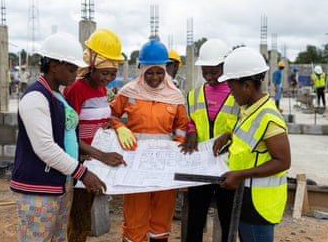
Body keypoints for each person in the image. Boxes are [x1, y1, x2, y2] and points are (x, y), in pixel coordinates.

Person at [10, 32, 107, 242]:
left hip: (61, 182)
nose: (76, 74)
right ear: (54, 66)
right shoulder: (36, 98)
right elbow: (45, 148)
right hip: (38, 186)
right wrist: (82, 173)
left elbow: (66, 136)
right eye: (72, 69)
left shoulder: (58, 95)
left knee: (57, 238)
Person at [109, 38, 189, 242]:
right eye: (150, 72)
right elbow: (110, 116)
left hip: (164, 166)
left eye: (159, 72)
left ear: (166, 69)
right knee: (135, 217)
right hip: (135, 165)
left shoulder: (175, 96)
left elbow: (182, 124)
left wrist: (178, 142)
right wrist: (120, 128)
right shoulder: (128, 92)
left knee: (161, 218)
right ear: (141, 69)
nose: (155, 77)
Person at [213, 47, 291, 242]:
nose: (231, 94)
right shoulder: (251, 110)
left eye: (232, 88)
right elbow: (251, 140)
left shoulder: (269, 117)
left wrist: (239, 174)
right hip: (247, 197)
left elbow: (283, 161)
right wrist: (228, 135)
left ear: (247, 86)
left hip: (259, 204)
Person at [63, 28, 126, 242]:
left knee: (85, 217)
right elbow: (69, 133)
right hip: (81, 162)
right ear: (91, 67)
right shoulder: (76, 89)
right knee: (80, 222)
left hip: (95, 160)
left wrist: (111, 128)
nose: (108, 78)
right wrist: (101, 155)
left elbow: (97, 121)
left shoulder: (101, 89)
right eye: (104, 72)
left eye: (113, 73)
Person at [179, 39, 239, 242]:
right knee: (195, 217)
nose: (210, 77)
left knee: (227, 217)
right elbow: (189, 119)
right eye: (206, 72)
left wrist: (229, 136)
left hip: (227, 166)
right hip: (201, 165)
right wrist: (191, 131)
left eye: (215, 71)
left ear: (226, 66)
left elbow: (244, 124)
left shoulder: (238, 95)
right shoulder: (194, 95)